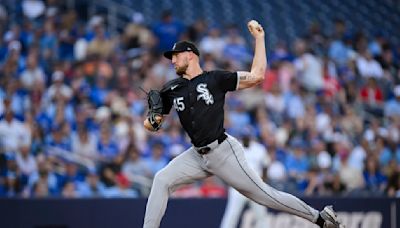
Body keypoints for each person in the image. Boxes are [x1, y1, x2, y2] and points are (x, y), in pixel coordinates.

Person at [142, 20, 343, 228]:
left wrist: (259, 39)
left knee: (265, 196)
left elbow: (257, 76)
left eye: (176, 55)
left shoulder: (215, 79)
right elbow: (151, 124)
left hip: (223, 152)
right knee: (161, 179)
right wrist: (153, 119)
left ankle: (320, 218)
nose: (172, 60)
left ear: (190, 54)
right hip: (196, 154)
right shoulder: (172, 88)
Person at [220, 129, 269, 228]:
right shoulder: (234, 148)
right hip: (239, 186)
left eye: (247, 136)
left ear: (251, 137)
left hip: (255, 186)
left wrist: (263, 183)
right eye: (244, 136)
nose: (245, 138)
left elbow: (265, 166)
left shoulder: (259, 149)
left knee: (261, 215)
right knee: (232, 214)